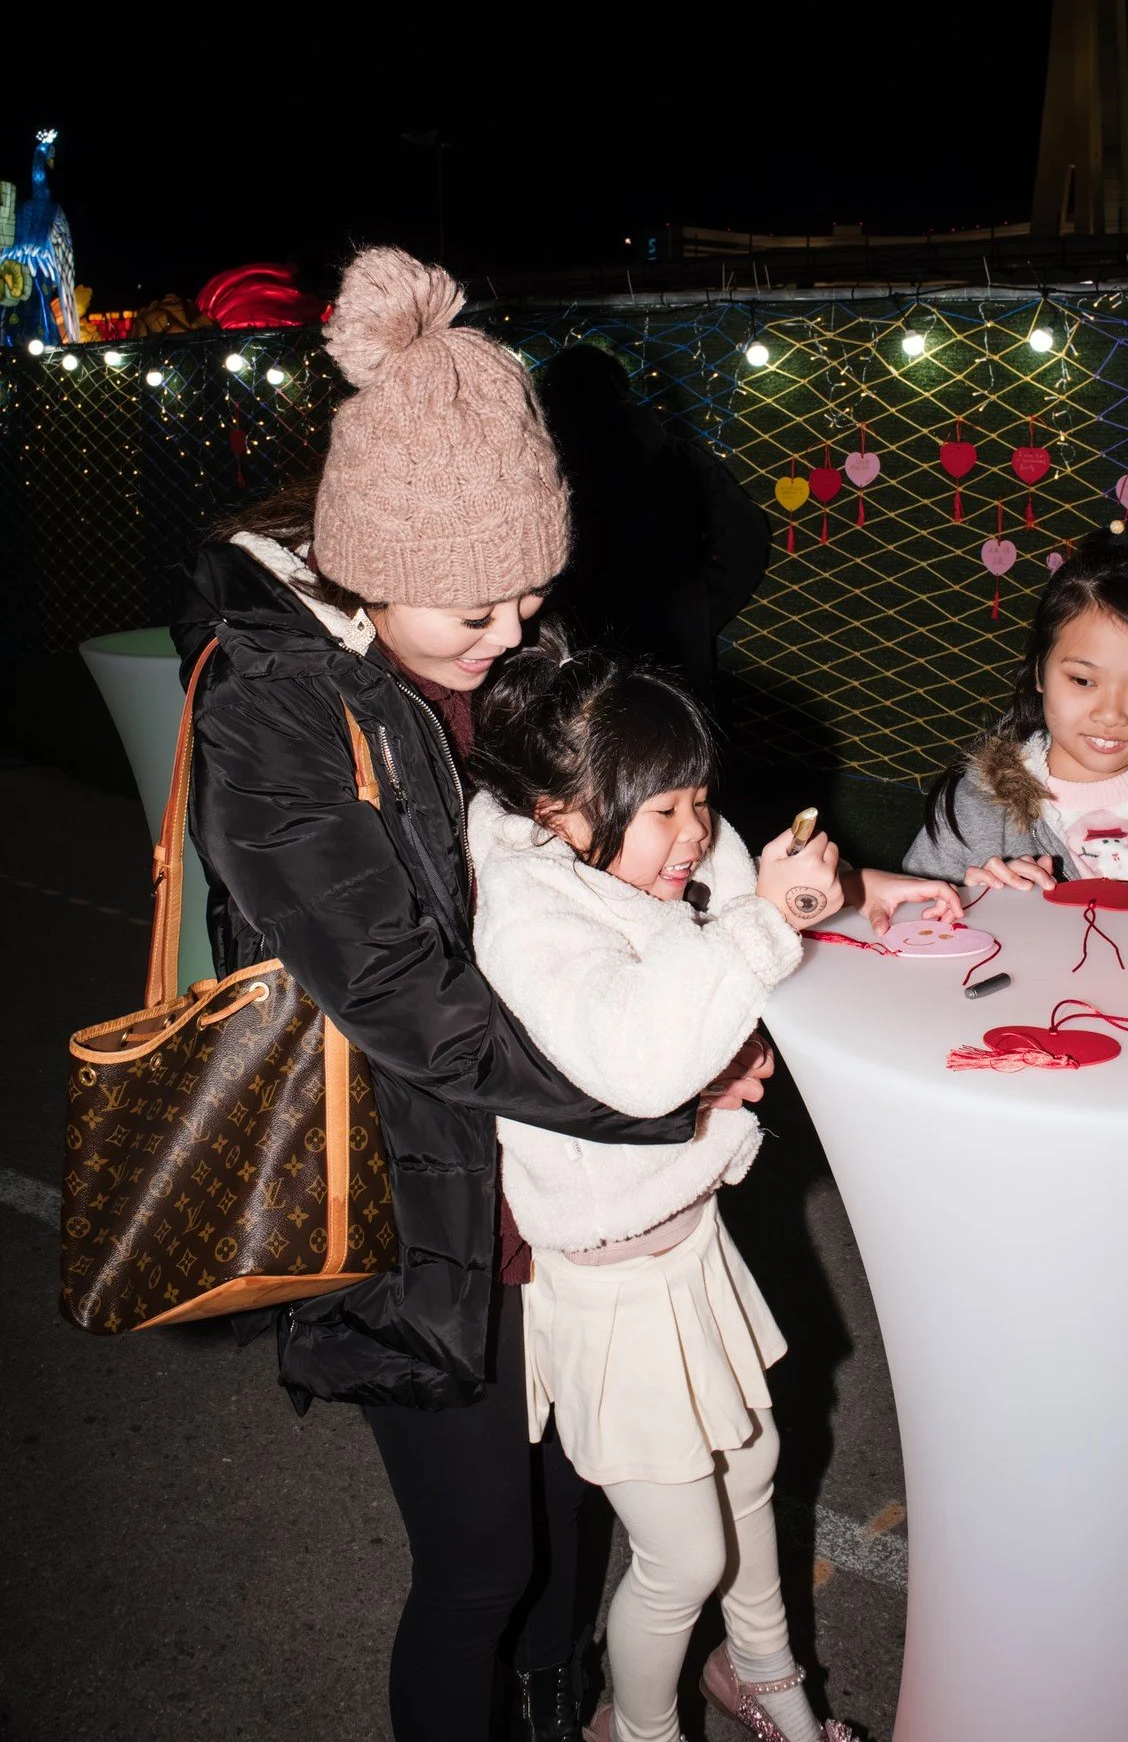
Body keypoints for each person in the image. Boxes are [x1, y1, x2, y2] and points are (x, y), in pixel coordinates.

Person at [172, 247, 767, 1742]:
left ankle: (560, 1708)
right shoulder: (274, 706)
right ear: (371, 561)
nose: (515, 633)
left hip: (533, 1169)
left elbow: (617, 809)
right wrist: (657, 1101)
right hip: (402, 1181)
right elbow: (400, 995)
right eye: (477, 605)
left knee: (568, 1506)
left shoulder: (481, 637)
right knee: (477, 1563)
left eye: (531, 589)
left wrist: (845, 894)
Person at [464, 636, 964, 1742]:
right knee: (682, 1558)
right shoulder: (531, 913)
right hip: (608, 1285)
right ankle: (634, 1730)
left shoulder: (636, 848)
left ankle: (765, 1680)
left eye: (701, 799)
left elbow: (741, 887)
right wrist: (767, 924)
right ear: (557, 812)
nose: (695, 833)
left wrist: (864, 890)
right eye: (667, 811)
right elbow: (640, 1060)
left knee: (753, 1463)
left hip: (686, 1242)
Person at [902, 537, 1128, 894]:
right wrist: (972, 903)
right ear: (1040, 672)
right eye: (1083, 681)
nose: (1111, 715)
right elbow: (909, 914)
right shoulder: (976, 807)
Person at [535, 343, 772, 707]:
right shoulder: (678, 458)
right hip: (668, 657)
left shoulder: (540, 468)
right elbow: (746, 539)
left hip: (565, 654)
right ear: (620, 390)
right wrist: (695, 612)